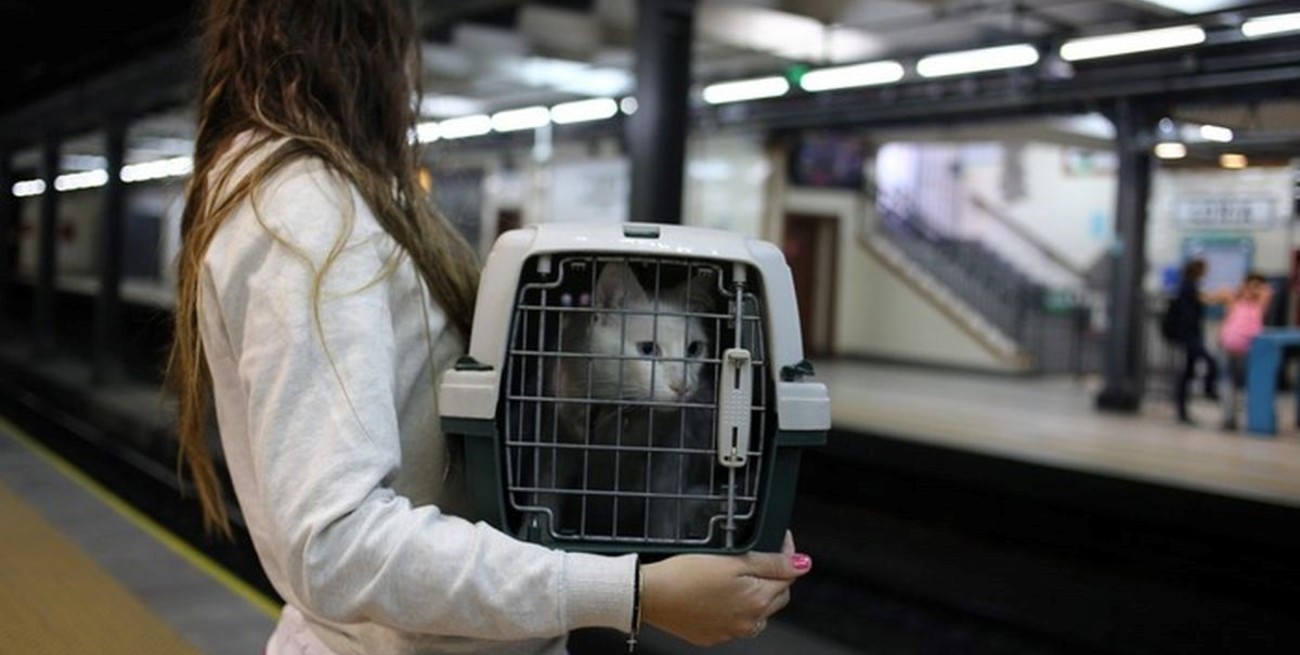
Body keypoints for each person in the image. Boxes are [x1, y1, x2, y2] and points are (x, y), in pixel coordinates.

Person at [166, 1, 811, 654]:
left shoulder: (323, 192)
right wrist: (634, 592)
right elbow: (337, 542)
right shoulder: (304, 209)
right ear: (367, 37)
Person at [1166, 257, 1228, 425]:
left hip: (1190, 334)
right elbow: (1203, 299)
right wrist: (1223, 297)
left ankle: (1182, 410)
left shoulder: (1187, 285)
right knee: (1208, 362)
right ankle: (1208, 390)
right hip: (1189, 335)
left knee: (1188, 372)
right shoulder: (1189, 286)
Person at [1217, 272, 1274, 430]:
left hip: (1247, 349)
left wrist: (1255, 289)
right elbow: (1224, 296)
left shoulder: (1259, 304)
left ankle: (1248, 418)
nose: (1252, 289)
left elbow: (1267, 292)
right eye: (1250, 285)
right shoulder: (1235, 301)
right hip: (1228, 346)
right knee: (1228, 383)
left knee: (1245, 384)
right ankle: (1228, 418)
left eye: (1257, 286)